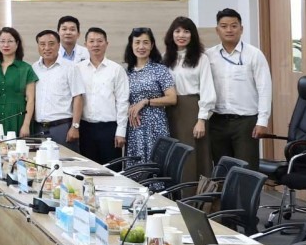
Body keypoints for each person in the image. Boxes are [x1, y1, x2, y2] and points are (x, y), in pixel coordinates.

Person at [205, 8, 272, 170]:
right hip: (217, 121)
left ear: (241, 29)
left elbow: (265, 88)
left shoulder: (254, 54)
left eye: (234, 26)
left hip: (246, 122)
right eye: (224, 26)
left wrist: (262, 121)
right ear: (217, 30)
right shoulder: (208, 56)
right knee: (222, 170)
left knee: (247, 171)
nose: (229, 30)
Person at [162, 17, 216, 182]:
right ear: (171, 34)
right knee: (173, 155)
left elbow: (207, 89)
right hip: (170, 111)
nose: (181, 35)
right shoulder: (165, 58)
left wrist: (201, 120)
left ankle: (193, 196)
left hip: (193, 111)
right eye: (177, 31)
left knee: (192, 157)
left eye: (186, 31)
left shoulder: (201, 58)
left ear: (192, 35)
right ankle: (174, 194)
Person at [23, 30, 85, 151]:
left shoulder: (70, 67)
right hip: (39, 128)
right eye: (42, 44)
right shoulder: (34, 68)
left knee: (65, 160)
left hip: (62, 127)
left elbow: (78, 97)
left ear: (58, 45)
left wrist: (75, 126)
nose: (47, 48)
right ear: (38, 46)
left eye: (51, 44)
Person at [77, 28, 130, 165]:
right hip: (85, 128)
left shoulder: (116, 69)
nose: (95, 44)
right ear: (85, 44)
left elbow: (122, 101)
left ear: (106, 44)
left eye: (100, 41)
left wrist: (121, 131)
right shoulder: (78, 69)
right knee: (88, 169)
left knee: (112, 170)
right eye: (91, 41)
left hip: (109, 129)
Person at [124, 27, 178, 162]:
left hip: (156, 125)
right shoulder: (126, 72)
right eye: (137, 42)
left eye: (145, 42)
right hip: (134, 126)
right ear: (131, 45)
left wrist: (145, 102)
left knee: (156, 164)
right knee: (136, 164)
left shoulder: (160, 69)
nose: (141, 47)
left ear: (152, 45)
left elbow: (172, 98)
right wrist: (129, 108)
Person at [0, 28, 37, 134]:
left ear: (17, 43)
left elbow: (31, 99)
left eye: (10, 41)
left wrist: (26, 124)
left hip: (18, 116)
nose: (6, 45)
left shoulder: (26, 68)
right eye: (2, 41)